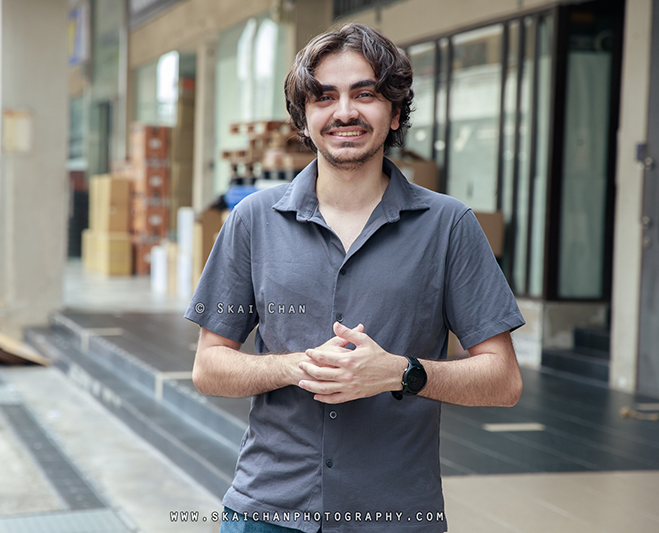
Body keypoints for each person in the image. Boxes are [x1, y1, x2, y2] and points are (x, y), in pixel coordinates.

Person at [185, 23, 524, 533]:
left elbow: (504, 381)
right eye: (324, 96)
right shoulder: (253, 221)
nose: (344, 111)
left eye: (364, 93)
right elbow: (209, 367)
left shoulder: (449, 226)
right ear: (305, 117)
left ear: (394, 112)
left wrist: (401, 374)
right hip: (269, 512)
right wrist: (298, 366)